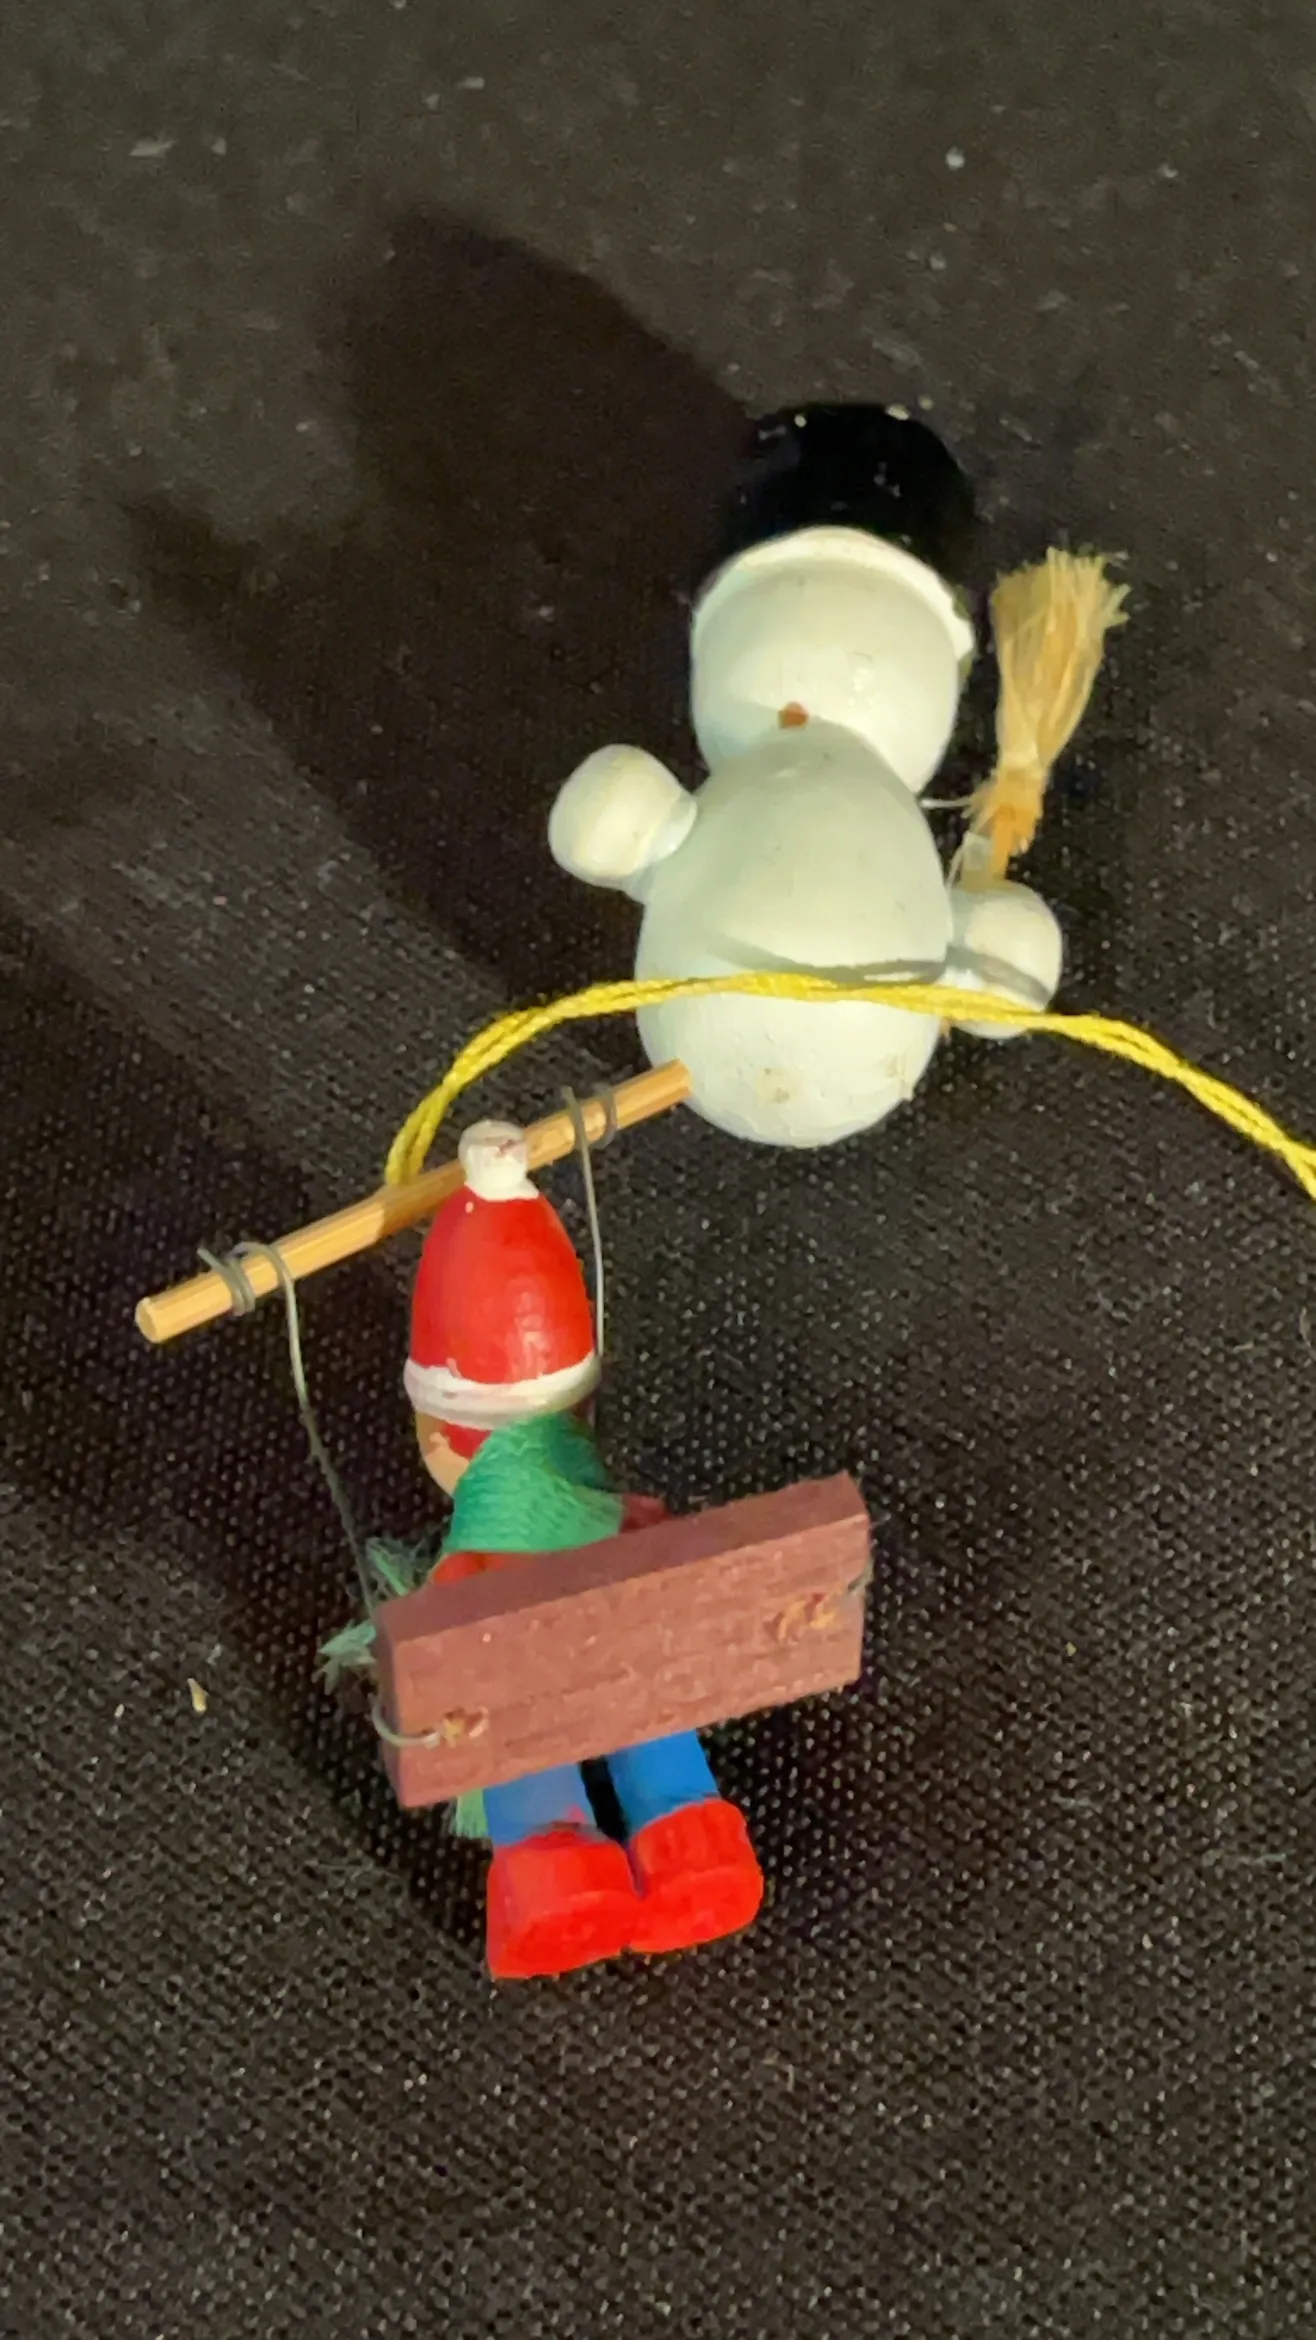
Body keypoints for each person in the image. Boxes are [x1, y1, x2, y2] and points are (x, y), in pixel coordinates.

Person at [406, 1118, 764, 1981]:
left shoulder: (478, 1559)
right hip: (634, 1669)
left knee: (529, 1767)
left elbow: (444, 1649)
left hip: (531, 1693)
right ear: (578, 1417)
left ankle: (555, 1875)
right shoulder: (619, 1516)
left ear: (446, 1442)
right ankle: (690, 1844)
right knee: (654, 1733)